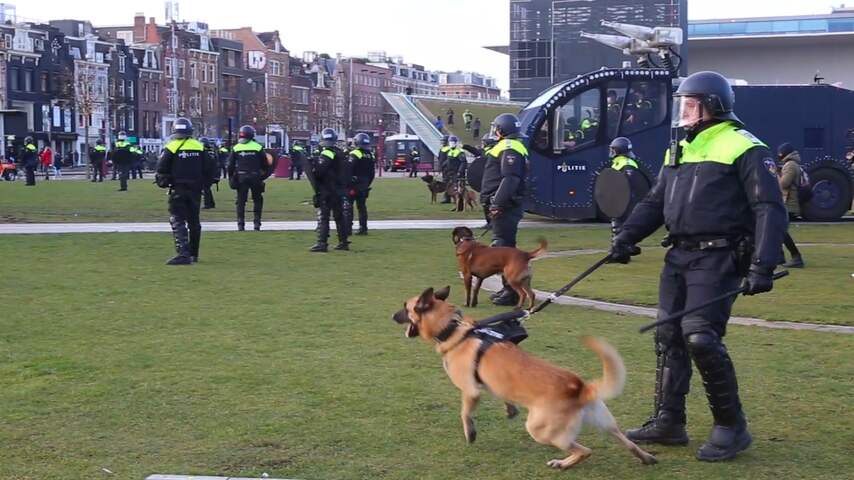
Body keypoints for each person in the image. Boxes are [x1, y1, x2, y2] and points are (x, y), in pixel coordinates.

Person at [610, 71, 787, 462]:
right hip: (678, 255)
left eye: (690, 104)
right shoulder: (679, 149)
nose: (683, 111)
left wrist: (763, 264)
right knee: (668, 336)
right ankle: (669, 421)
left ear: (713, 106)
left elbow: (768, 208)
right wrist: (625, 236)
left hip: (719, 256)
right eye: (682, 103)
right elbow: (656, 202)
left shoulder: (745, 147)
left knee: (700, 336)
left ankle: (731, 426)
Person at [155, 117, 219, 265]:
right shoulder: (199, 146)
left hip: (178, 188)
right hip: (196, 189)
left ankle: (183, 253)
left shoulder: (172, 147)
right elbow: (211, 168)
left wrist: (163, 182)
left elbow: (161, 168)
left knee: (177, 219)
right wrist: (204, 184)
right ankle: (194, 254)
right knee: (194, 221)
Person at [481, 113, 529, 306]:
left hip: (506, 206)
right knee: (503, 248)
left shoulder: (509, 148)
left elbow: (510, 179)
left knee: (503, 248)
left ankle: (512, 292)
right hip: (504, 204)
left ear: (501, 130)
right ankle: (507, 288)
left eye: (496, 128)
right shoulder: (508, 146)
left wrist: (497, 203)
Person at [306, 128, 353, 252]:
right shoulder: (341, 153)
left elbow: (320, 171)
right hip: (339, 189)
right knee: (339, 217)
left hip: (328, 189)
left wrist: (313, 166)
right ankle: (343, 242)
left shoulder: (327, 153)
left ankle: (322, 243)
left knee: (324, 216)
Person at [227, 125, 271, 231]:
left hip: (241, 177)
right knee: (257, 200)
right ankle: (257, 223)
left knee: (241, 201)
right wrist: (262, 174)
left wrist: (231, 177)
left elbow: (230, 165)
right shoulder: (258, 147)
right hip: (255, 176)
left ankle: (240, 224)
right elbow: (265, 163)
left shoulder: (236, 148)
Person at [607, 136, 641, 261]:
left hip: (625, 200)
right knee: (616, 225)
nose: (611, 152)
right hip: (617, 199)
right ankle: (617, 251)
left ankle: (621, 253)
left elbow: (629, 183)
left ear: (618, 150)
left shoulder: (627, 164)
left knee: (622, 225)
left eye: (613, 149)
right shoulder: (618, 162)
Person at [776, 142, 805, 268]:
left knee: (780, 231)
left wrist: (776, 175)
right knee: (778, 230)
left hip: (788, 203)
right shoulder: (791, 164)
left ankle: (796, 257)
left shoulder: (790, 165)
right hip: (788, 202)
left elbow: (784, 184)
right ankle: (779, 257)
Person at [350, 132, 376, 235]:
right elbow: (372, 173)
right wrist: (367, 184)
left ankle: (347, 228)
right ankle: (363, 228)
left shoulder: (356, 153)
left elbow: (349, 168)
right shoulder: (370, 155)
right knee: (362, 207)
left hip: (354, 183)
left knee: (349, 206)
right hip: (364, 184)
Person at [441, 136, 465, 204]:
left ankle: (458, 200)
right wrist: (443, 167)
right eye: (450, 142)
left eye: (453, 142)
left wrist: (460, 171)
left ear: (456, 143)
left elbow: (463, 162)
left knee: (456, 186)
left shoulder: (460, 151)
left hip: (456, 171)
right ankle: (447, 198)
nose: (451, 143)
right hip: (449, 171)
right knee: (447, 185)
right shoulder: (449, 151)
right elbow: (448, 161)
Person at [199, 137, 217, 209]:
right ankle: (211, 203)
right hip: (212, 172)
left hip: (207, 173)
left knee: (205, 188)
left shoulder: (205, 152)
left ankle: (207, 204)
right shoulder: (212, 152)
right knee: (207, 188)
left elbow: (204, 164)